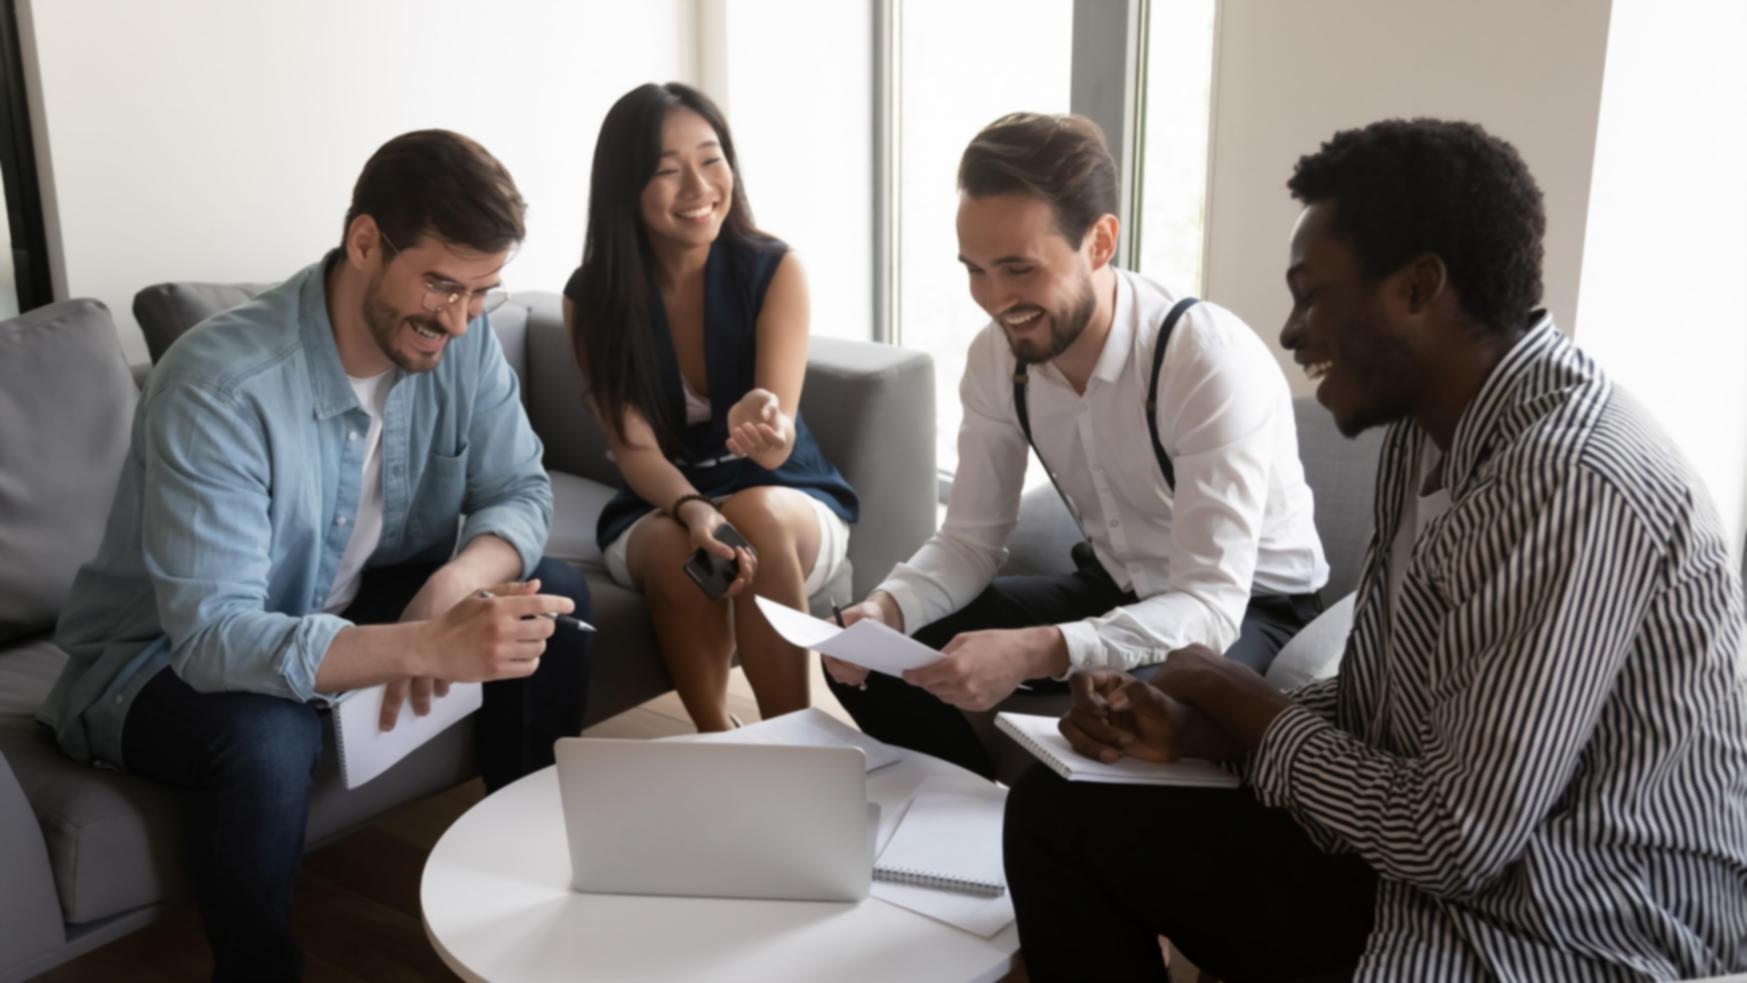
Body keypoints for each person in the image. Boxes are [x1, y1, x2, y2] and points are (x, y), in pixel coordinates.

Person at [1004, 118, 1747, 981]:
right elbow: (1380, 712)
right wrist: (1197, 728)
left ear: (1418, 289)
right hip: (1448, 880)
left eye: (1311, 294)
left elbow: (1455, 838)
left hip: (1571, 922)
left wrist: (1249, 708)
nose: (1288, 332)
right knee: (1058, 806)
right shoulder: (1427, 433)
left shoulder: (1570, 481)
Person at [39, 129, 594, 981]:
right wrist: (421, 645)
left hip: (337, 601)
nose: (457, 317)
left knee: (545, 598)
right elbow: (215, 637)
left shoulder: (465, 336)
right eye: (440, 284)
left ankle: (527, 897)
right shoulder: (220, 385)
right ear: (365, 242)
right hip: (155, 659)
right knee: (267, 733)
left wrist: (452, 585)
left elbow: (519, 487)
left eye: (482, 291)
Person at [824, 113, 1327, 779]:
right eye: (974, 270)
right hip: (1116, 582)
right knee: (878, 656)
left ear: (1099, 241)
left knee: (1128, 715)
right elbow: (971, 538)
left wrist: (1034, 651)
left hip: (1248, 605)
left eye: (1017, 269)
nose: (994, 300)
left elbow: (1208, 605)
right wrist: (886, 606)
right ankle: (969, 822)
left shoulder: (1203, 360)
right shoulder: (996, 359)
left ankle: (1035, 833)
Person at [566, 82, 857, 732]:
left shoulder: (774, 270)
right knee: (681, 547)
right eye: (668, 171)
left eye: (711, 158)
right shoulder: (592, 299)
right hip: (661, 500)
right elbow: (635, 448)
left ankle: (792, 746)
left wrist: (762, 422)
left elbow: (777, 447)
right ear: (626, 188)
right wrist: (697, 509)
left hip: (785, 494)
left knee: (751, 512)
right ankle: (717, 737)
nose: (699, 187)